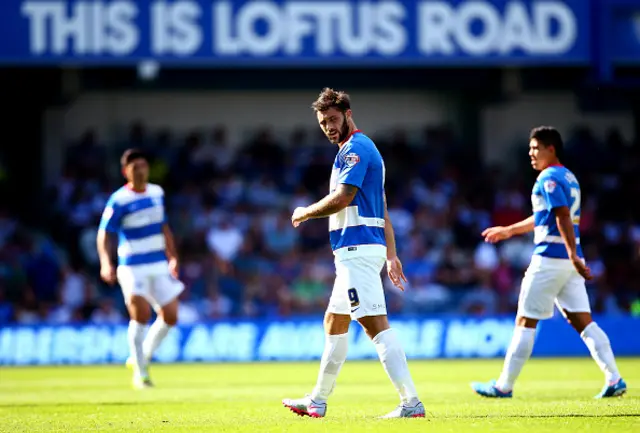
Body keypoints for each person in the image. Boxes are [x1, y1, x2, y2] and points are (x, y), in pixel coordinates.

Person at [282, 88, 424, 418]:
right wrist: (391, 253)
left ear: (348, 114)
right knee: (334, 321)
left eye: (333, 119)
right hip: (356, 251)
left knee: (375, 326)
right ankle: (317, 399)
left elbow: (343, 198)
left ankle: (411, 403)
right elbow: (383, 209)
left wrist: (305, 211)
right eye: (322, 123)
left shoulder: (355, 149)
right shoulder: (353, 149)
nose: (328, 127)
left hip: (357, 250)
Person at [471, 126, 626, 399]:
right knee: (583, 321)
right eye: (530, 149)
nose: (531, 154)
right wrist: (509, 230)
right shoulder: (569, 177)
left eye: (536, 148)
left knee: (525, 320)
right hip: (568, 261)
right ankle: (614, 378)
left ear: (550, 148)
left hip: (551, 259)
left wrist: (572, 254)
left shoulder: (549, 177)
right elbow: (546, 216)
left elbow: (562, 216)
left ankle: (503, 386)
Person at [97, 149, 184, 389]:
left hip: (158, 262)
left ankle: (140, 356)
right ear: (126, 172)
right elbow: (104, 232)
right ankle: (142, 373)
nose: (141, 170)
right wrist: (106, 262)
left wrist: (173, 257)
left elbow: (163, 226)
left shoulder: (157, 192)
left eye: (144, 165)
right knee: (142, 314)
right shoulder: (119, 200)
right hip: (132, 265)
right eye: (136, 167)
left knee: (171, 316)